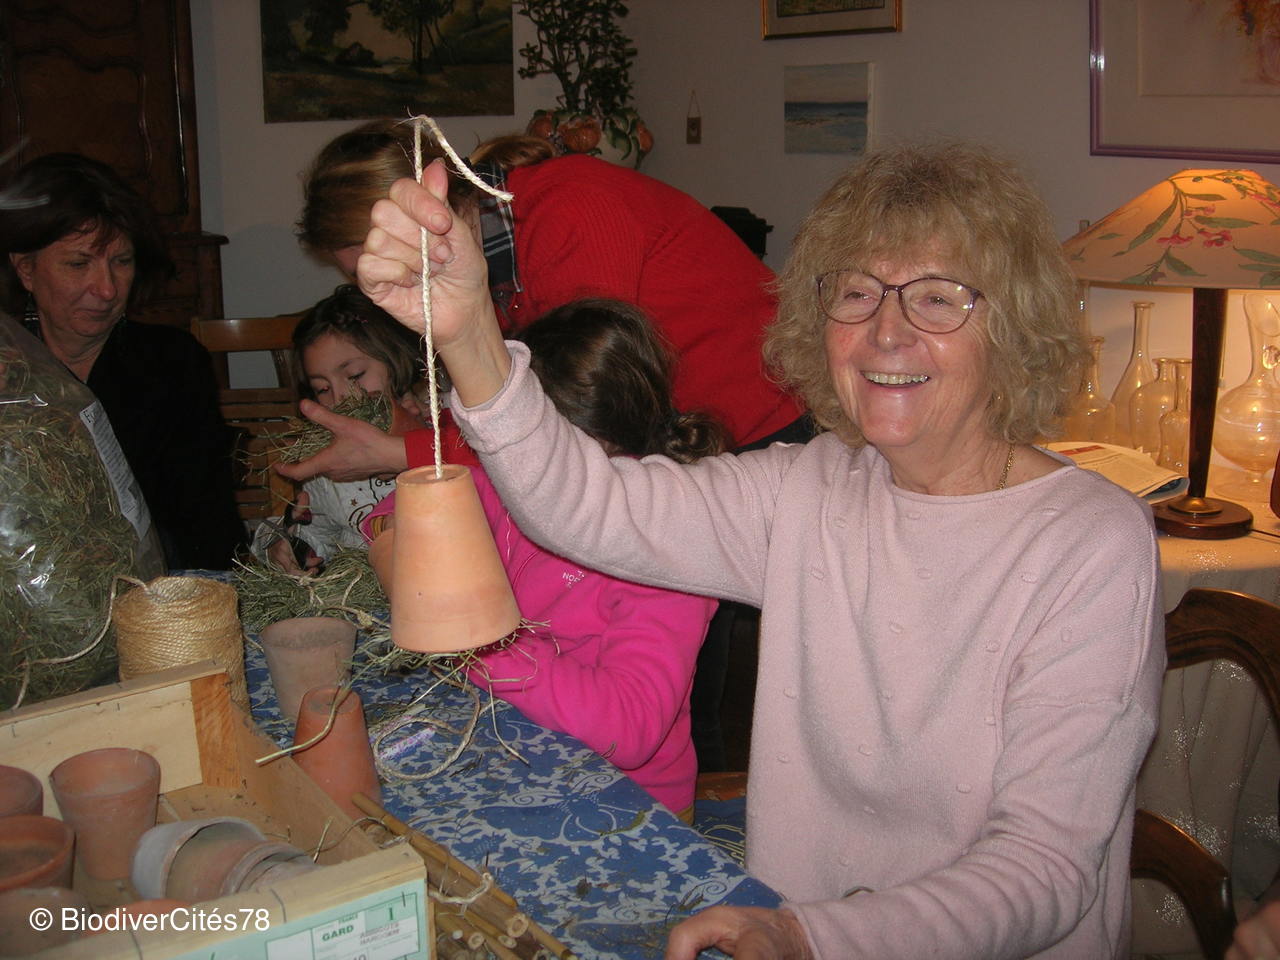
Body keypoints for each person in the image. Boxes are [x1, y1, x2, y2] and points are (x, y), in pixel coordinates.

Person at [348, 141, 1166, 959]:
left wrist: (811, 936)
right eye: (857, 293)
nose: (886, 332)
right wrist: (469, 333)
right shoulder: (806, 487)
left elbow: (1045, 868)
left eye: (937, 298)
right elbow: (585, 505)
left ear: (1012, 327)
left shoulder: (1089, 543)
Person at [289, 119, 814, 770]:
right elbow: (511, 408)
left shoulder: (573, 214)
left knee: (682, 663)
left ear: (427, 214)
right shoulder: (499, 252)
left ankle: (689, 791)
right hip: (639, 436)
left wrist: (403, 454)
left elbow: (552, 424)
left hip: (750, 421)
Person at [363, 297, 727, 818]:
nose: (505, 463)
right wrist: (392, 540)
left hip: (620, 806)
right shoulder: (506, 482)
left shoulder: (665, 556)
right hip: (507, 753)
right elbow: (399, 508)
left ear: (596, 443)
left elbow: (629, 727)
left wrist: (481, 640)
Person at [0, 152, 243, 570]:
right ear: (25, 269)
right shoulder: (11, 368)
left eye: (122, 261)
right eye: (79, 264)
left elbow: (208, 521)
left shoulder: (172, 363)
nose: (108, 289)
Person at [250, 284, 426, 573]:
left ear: (396, 361)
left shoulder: (449, 425)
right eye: (322, 389)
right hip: (362, 591)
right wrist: (286, 546)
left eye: (355, 375)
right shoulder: (329, 466)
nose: (340, 398)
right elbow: (311, 532)